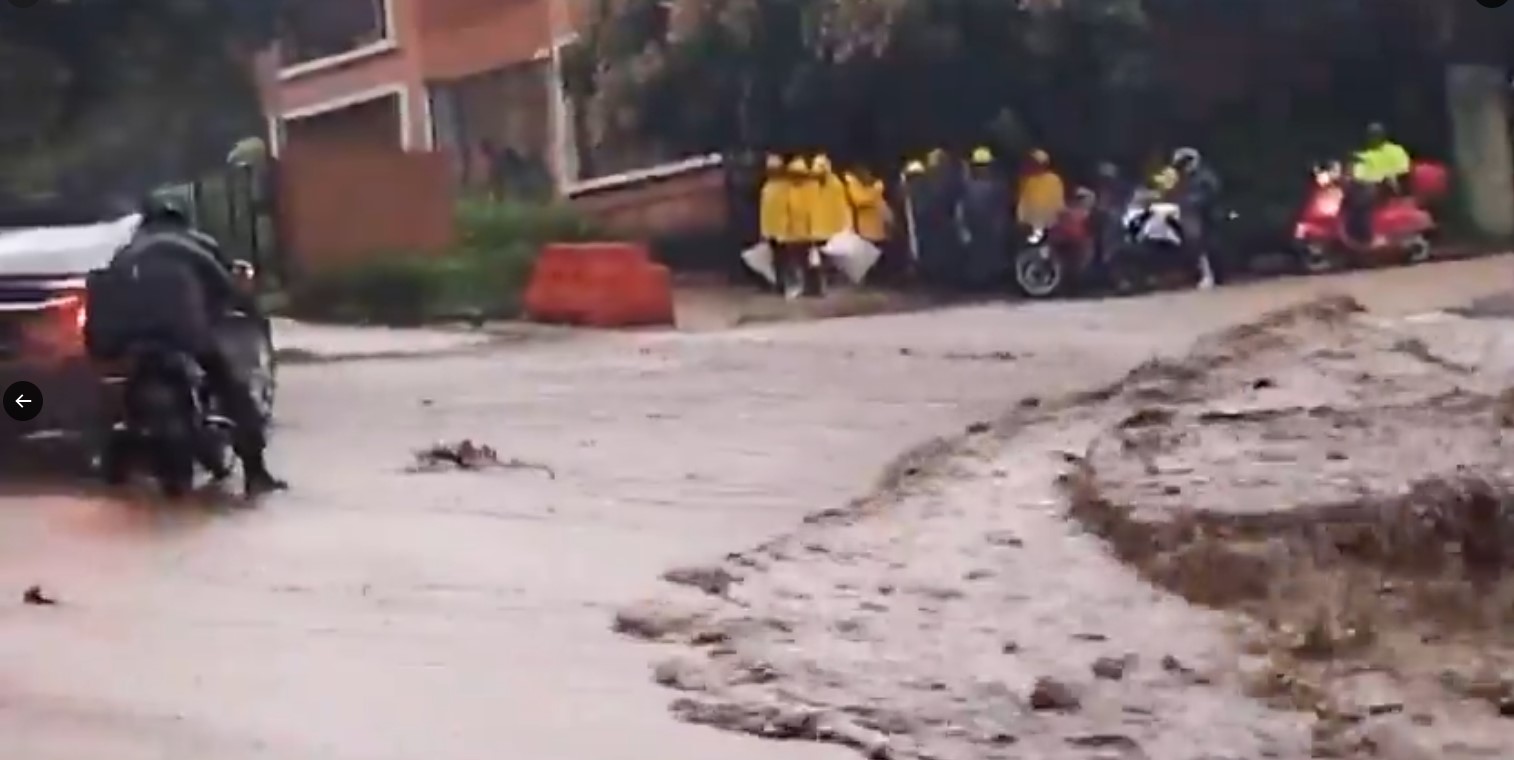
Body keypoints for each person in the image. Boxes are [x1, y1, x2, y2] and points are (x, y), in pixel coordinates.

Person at [100, 196, 286, 495]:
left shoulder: (127, 253)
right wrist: (236, 309)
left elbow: (106, 294)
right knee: (232, 388)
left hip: (132, 340)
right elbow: (224, 288)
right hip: (186, 336)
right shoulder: (198, 245)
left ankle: (113, 477)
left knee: (115, 405)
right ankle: (256, 470)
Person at [1346, 123, 1412, 244]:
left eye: (1376, 135)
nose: (1373, 138)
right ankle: (1350, 234)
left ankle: (1366, 235)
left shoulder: (1395, 151)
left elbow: (1403, 169)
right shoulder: (1364, 155)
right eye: (1371, 135)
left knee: (1366, 196)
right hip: (1368, 186)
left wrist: (1386, 176)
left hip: (1389, 185)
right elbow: (1357, 173)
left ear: (1383, 135)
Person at [1168, 147, 1220, 288]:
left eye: (1183, 164)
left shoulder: (1204, 176)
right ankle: (1201, 273)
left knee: (1200, 243)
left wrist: (1188, 202)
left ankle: (1209, 274)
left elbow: (1209, 194)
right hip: (1192, 214)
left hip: (1207, 216)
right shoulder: (1187, 178)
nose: (1182, 168)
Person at [960, 146, 1011, 289]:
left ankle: (991, 281)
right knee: (976, 256)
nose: (982, 169)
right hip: (975, 225)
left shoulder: (997, 184)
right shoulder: (967, 185)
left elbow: (1002, 207)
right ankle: (978, 282)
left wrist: (1000, 224)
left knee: (992, 255)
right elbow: (962, 207)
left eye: (984, 166)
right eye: (979, 166)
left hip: (990, 225)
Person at [843, 165, 894, 280]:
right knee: (868, 254)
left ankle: (880, 276)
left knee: (880, 252)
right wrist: (876, 191)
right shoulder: (853, 183)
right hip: (865, 228)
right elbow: (860, 200)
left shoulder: (869, 186)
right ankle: (870, 277)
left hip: (877, 225)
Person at [758, 154, 795, 294]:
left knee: (788, 259)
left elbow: (792, 208)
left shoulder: (786, 187)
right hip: (772, 229)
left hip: (786, 229)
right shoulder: (767, 187)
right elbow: (764, 211)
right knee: (777, 260)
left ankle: (791, 284)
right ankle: (780, 284)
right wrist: (763, 231)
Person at [1016, 149, 1066, 231]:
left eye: (1033, 163)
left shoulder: (1053, 180)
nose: (1029, 165)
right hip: (1027, 225)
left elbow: (1058, 204)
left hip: (1048, 225)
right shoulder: (1027, 180)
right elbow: (1022, 202)